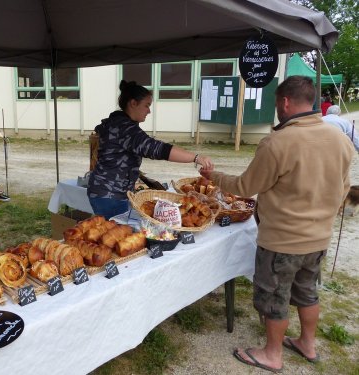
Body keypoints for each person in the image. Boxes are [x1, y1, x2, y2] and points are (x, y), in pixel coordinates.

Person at [199, 76, 354, 373]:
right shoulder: (341, 140)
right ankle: (307, 344)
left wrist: (213, 176)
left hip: (282, 240)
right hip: (319, 238)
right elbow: (344, 189)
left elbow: (246, 185)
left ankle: (272, 353)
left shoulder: (278, 142)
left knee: (274, 297)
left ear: (284, 102)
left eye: (276, 104)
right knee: (308, 292)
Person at [87, 80, 213, 220]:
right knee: (115, 235)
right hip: (110, 194)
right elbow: (156, 149)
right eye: (146, 105)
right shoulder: (124, 128)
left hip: (108, 192)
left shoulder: (121, 124)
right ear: (133, 103)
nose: (149, 111)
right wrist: (195, 158)